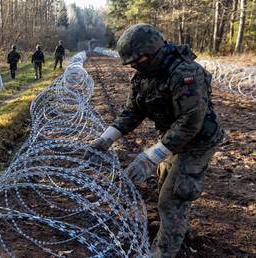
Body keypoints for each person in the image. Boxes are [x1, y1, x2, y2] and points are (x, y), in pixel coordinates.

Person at [88, 24, 224, 258]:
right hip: (173, 139)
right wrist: (105, 139)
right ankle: (178, 230)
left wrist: (151, 156)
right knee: (164, 182)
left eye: (136, 60)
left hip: (198, 142)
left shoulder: (185, 73)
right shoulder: (145, 76)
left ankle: (163, 251)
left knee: (173, 197)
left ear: (151, 53)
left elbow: (191, 122)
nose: (132, 66)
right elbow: (133, 111)